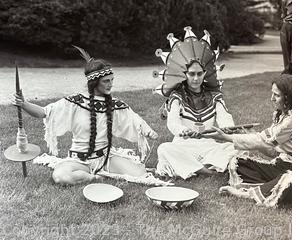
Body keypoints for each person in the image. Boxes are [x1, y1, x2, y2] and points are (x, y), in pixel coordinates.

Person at [13, 46, 161, 185]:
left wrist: (147, 130)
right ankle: (94, 177)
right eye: (106, 81)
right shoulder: (74, 102)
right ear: (94, 83)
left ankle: (102, 172)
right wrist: (24, 104)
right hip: (79, 160)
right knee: (60, 177)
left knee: (140, 173)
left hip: (106, 158)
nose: (110, 85)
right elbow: (44, 112)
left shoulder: (115, 103)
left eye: (112, 80)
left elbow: (133, 118)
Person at [206, 74, 292, 207]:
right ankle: (269, 187)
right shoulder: (282, 116)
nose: (272, 99)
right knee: (238, 162)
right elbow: (272, 151)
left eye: (276, 95)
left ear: (288, 97)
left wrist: (225, 137)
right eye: (272, 94)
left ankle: (248, 194)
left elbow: (261, 140)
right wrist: (253, 137)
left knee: (290, 179)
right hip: (284, 165)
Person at [153, 27, 238, 180]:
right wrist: (183, 131)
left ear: (205, 74)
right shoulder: (177, 96)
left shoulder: (214, 96)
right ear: (184, 75)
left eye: (199, 74)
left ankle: (193, 168)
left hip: (208, 145)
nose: (196, 78)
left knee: (235, 147)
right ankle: (208, 170)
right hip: (184, 145)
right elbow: (172, 123)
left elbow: (225, 116)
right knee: (164, 148)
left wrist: (228, 128)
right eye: (191, 74)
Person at [280, 0, 292, 75]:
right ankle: (288, 75)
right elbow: (283, 14)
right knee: (287, 54)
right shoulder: (285, 1)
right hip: (287, 26)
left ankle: (290, 73)